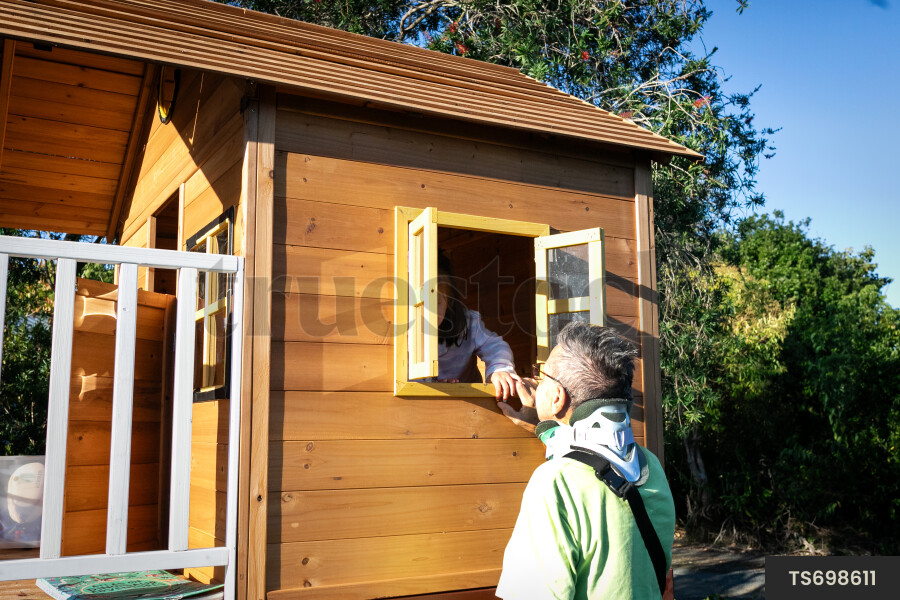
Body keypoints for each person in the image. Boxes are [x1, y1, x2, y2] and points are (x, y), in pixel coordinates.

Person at [495, 322, 676, 599]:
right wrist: (544, 425)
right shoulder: (650, 466)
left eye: (541, 376)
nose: (535, 381)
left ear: (557, 397)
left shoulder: (555, 483)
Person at [430, 251, 520, 401]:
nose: (426, 312)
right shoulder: (405, 331)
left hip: (470, 400)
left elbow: (494, 346)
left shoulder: (468, 322)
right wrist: (431, 384)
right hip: (427, 402)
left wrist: (499, 370)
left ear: (450, 302)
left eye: (435, 303)